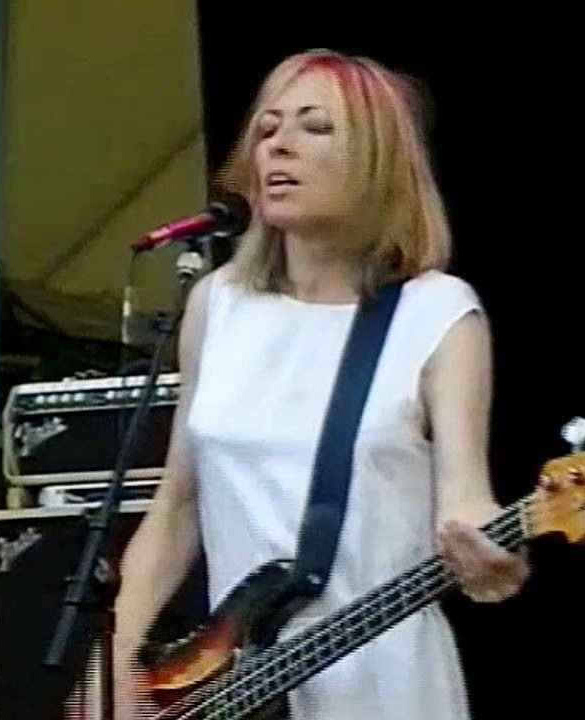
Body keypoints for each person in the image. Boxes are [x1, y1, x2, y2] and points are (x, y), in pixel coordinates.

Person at [112, 49, 531, 719]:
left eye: (316, 127)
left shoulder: (436, 312)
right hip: (239, 691)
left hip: (389, 689)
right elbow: (177, 509)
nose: (279, 144)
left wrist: (493, 552)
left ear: (378, 162)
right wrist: (116, 665)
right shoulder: (217, 304)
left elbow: (465, 500)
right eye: (268, 127)